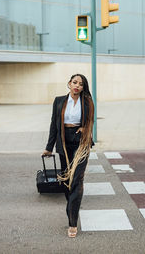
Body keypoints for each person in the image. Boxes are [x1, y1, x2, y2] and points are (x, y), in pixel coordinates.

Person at [43, 74, 94, 238]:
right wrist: (49, 148)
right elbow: (54, 124)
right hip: (64, 141)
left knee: (77, 178)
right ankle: (72, 205)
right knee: (66, 179)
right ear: (69, 84)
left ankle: (72, 222)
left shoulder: (87, 102)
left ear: (83, 87)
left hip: (81, 141)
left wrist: (86, 129)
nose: (77, 85)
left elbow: (90, 120)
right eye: (74, 82)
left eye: (80, 84)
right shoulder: (59, 101)